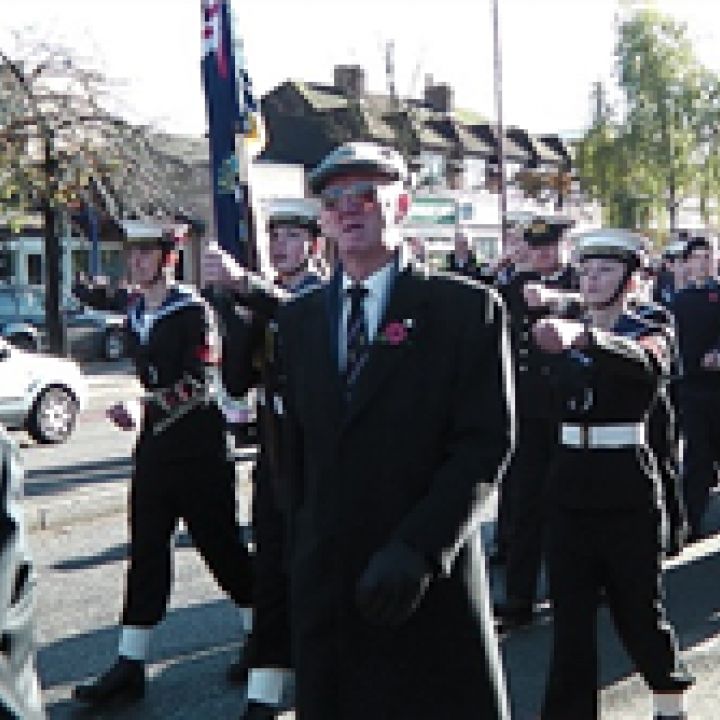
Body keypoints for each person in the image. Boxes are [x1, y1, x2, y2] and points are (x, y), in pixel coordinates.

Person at [275, 141, 514, 719]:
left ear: (401, 205)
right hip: (331, 589)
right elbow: (289, 454)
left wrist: (419, 550)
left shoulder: (463, 310)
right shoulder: (299, 319)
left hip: (423, 581)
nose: (347, 210)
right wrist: (298, 556)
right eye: (333, 201)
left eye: (365, 196)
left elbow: (485, 444)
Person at [73, 228, 254, 708]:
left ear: (168, 258)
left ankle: (263, 636)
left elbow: (202, 382)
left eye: (146, 252)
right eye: (132, 252)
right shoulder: (135, 314)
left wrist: (144, 407)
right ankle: (130, 664)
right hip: (154, 453)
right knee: (147, 554)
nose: (135, 260)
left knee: (222, 550)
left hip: (200, 454)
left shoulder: (194, 312)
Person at [533, 229, 694, 720]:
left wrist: (585, 339)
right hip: (568, 485)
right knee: (570, 620)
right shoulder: (561, 324)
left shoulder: (652, 322)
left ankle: (669, 699)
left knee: (639, 611)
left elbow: (647, 364)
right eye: (585, 270)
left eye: (604, 270)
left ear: (628, 279)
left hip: (626, 486)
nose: (592, 279)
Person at [203, 198, 325, 719]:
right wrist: (232, 315)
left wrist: (247, 289)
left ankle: (320, 683)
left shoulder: (323, 298)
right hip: (275, 456)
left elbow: (299, 320)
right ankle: (264, 696)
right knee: (272, 574)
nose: (281, 247)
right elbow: (237, 381)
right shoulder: (265, 301)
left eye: (292, 237)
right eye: (274, 238)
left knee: (314, 574)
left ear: (315, 246)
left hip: (319, 459)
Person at [493, 214, 578, 631]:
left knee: (573, 503)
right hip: (527, 410)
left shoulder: (583, 281)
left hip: (571, 407)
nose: (544, 254)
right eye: (537, 246)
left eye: (551, 246)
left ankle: (577, 587)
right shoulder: (511, 286)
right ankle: (519, 596)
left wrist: (559, 302)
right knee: (526, 504)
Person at [671, 234, 720, 538]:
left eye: (708, 256)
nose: (703, 263)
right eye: (697, 258)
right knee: (697, 458)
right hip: (692, 388)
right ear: (687, 264)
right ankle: (689, 524)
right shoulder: (679, 300)